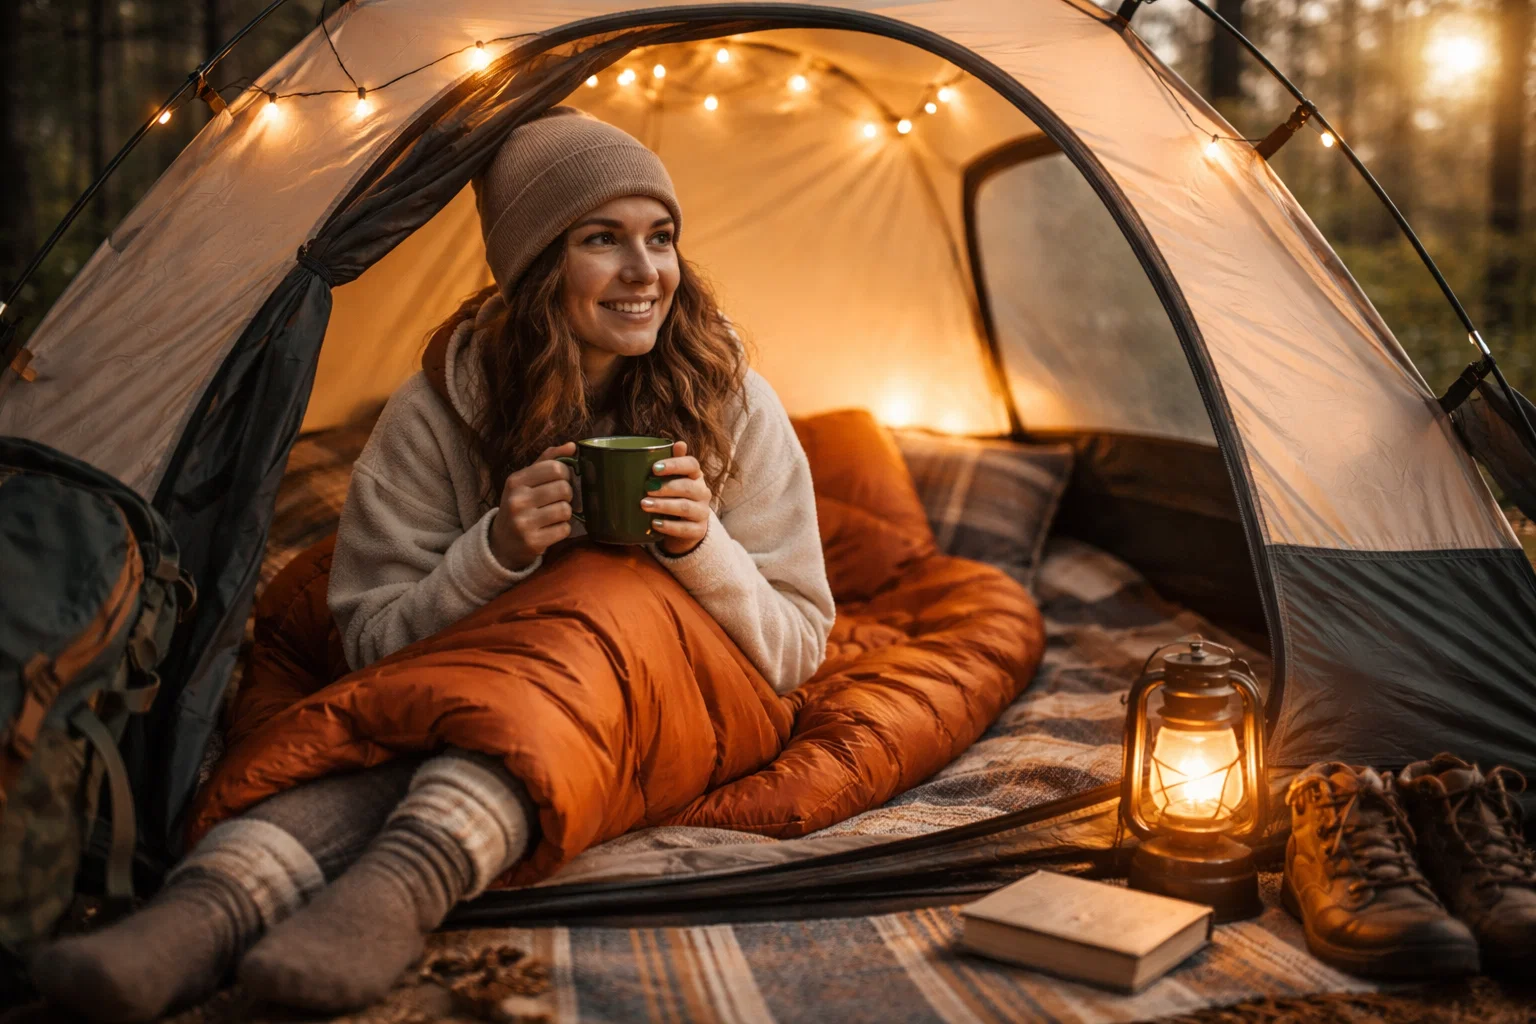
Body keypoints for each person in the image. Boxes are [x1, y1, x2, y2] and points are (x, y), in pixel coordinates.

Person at [32, 107, 835, 1023]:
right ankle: (203, 910)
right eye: (601, 240)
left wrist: (703, 549)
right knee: (451, 703)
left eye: (662, 238)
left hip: (689, 692)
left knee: (603, 589)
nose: (645, 273)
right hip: (481, 691)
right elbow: (373, 646)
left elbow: (795, 650)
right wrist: (492, 551)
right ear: (536, 267)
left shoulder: (733, 400)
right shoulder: (439, 409)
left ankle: (402, 880)